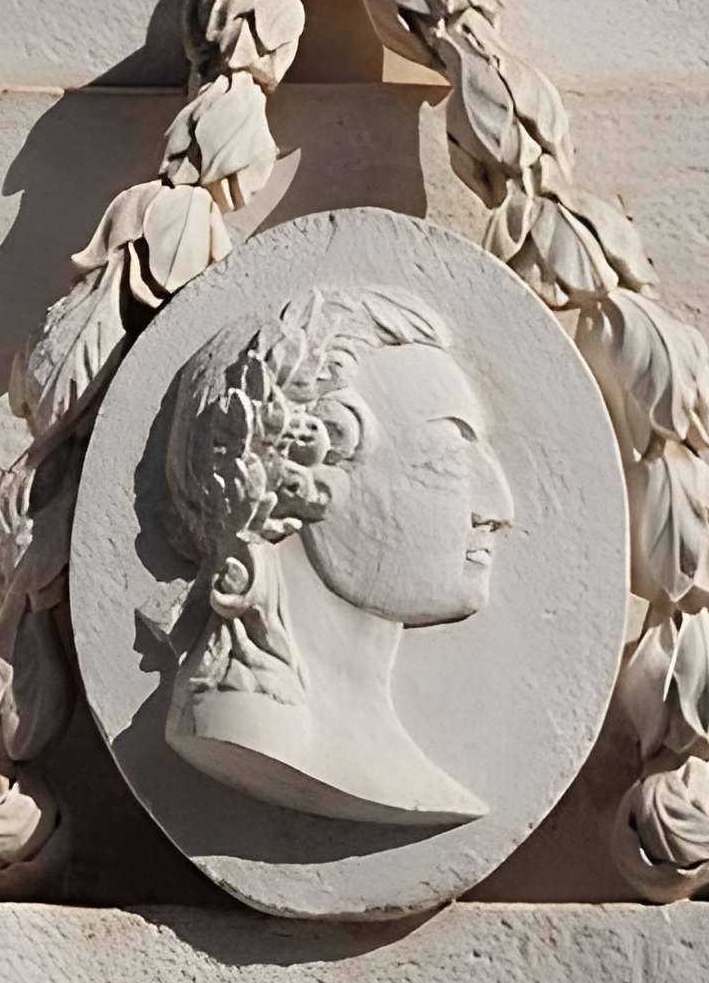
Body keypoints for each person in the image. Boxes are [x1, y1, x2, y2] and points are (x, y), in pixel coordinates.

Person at [159, 285, 513, 826]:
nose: (497, 507)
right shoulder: (242, 732)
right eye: (447, 456)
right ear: (304, 475)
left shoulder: (388, 763)